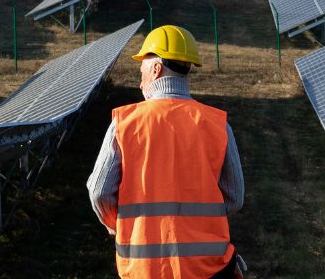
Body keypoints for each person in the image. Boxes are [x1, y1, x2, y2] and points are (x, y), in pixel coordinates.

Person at [86, 24, 246, 278]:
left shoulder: (125, 123)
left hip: (144, 268)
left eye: (142, 72)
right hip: (208, 268)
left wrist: (119, 225)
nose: (140, 83)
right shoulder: (217, 124)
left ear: (156, 68)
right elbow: (235, 197)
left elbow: (100, 191)